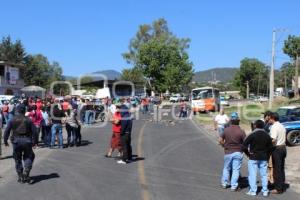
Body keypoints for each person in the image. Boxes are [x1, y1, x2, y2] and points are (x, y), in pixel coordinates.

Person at [3, 104, 36, 183]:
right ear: (24, 111)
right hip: (27, 141)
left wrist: (5, 141)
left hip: (16, 141)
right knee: (29, 156)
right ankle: (26, 172)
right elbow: (35, 132)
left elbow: (6, 131)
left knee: (17, 158)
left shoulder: (12, 119)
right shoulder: (29, 120)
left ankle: (20, 176)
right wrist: (35, 142)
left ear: (17, 110)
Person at [243, 120, 274, 197]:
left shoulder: (252, 134)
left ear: (255, 126)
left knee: (252, 174)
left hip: (253, 157)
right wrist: (267, 155)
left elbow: (243, 146)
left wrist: (248, 154)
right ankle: (265, 191)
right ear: (263, 126)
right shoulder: (267, 135)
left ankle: (253, 191)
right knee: (264, 175)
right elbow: (271, 148)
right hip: (263, 157)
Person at [219, 112, 246, 191]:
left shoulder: (226, 130)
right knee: (235, 169)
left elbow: (220, 140)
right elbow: (245, 143)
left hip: (228, 151)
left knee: (226, 168)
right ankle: (234, 186)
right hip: (238, 152)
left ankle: (224, 183)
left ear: (230, 120)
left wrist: (224, 145)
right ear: (238, 120)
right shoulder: (241, 131)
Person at [268, 112, 287, 194]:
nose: (268, 120)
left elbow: (273, 139)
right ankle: (281, 184)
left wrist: (266, 145)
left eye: (269, 118)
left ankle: (278, 188)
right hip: (283, 148)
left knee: (277, 169)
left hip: (277, 149)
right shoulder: (282, 126)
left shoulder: (274, 127)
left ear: (272, 118)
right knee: (281, 168)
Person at [118, 100, 133, 164]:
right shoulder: (129, 116)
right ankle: (129, 158)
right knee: (128, 145)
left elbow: (123, 126)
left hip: (125, 133)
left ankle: (124, 159)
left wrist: (121, 133)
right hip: (128, 132)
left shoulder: (124, 117)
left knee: (124, 146)